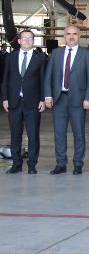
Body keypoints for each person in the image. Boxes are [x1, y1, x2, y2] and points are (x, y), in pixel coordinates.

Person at [43, 25, 89, 175]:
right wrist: (48, 95)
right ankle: (61, 163)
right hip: (59, 99)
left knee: (79, 133)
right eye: (68, 34)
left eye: (74, 34)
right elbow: (48, 76)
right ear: (64, 36)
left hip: (79, 100)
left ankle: (78, 164)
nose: (71, 36)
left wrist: (88, 98)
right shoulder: (56, 53)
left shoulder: (87, 55)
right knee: (59, 134)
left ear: (79, 36)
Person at [2, 29, 47, 174]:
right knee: (15, 134)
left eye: (30, 38)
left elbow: (43, 80)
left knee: (33, 135)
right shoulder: (11, 57)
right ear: (19, 41)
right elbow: (5, 79)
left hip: (33, 103)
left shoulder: (40, 58)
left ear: (33, 41)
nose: (27, 41)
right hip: (14, 102)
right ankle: (16, 164)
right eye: (24, 38)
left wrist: (42, 99)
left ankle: (32, 165)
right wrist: (5, 98)